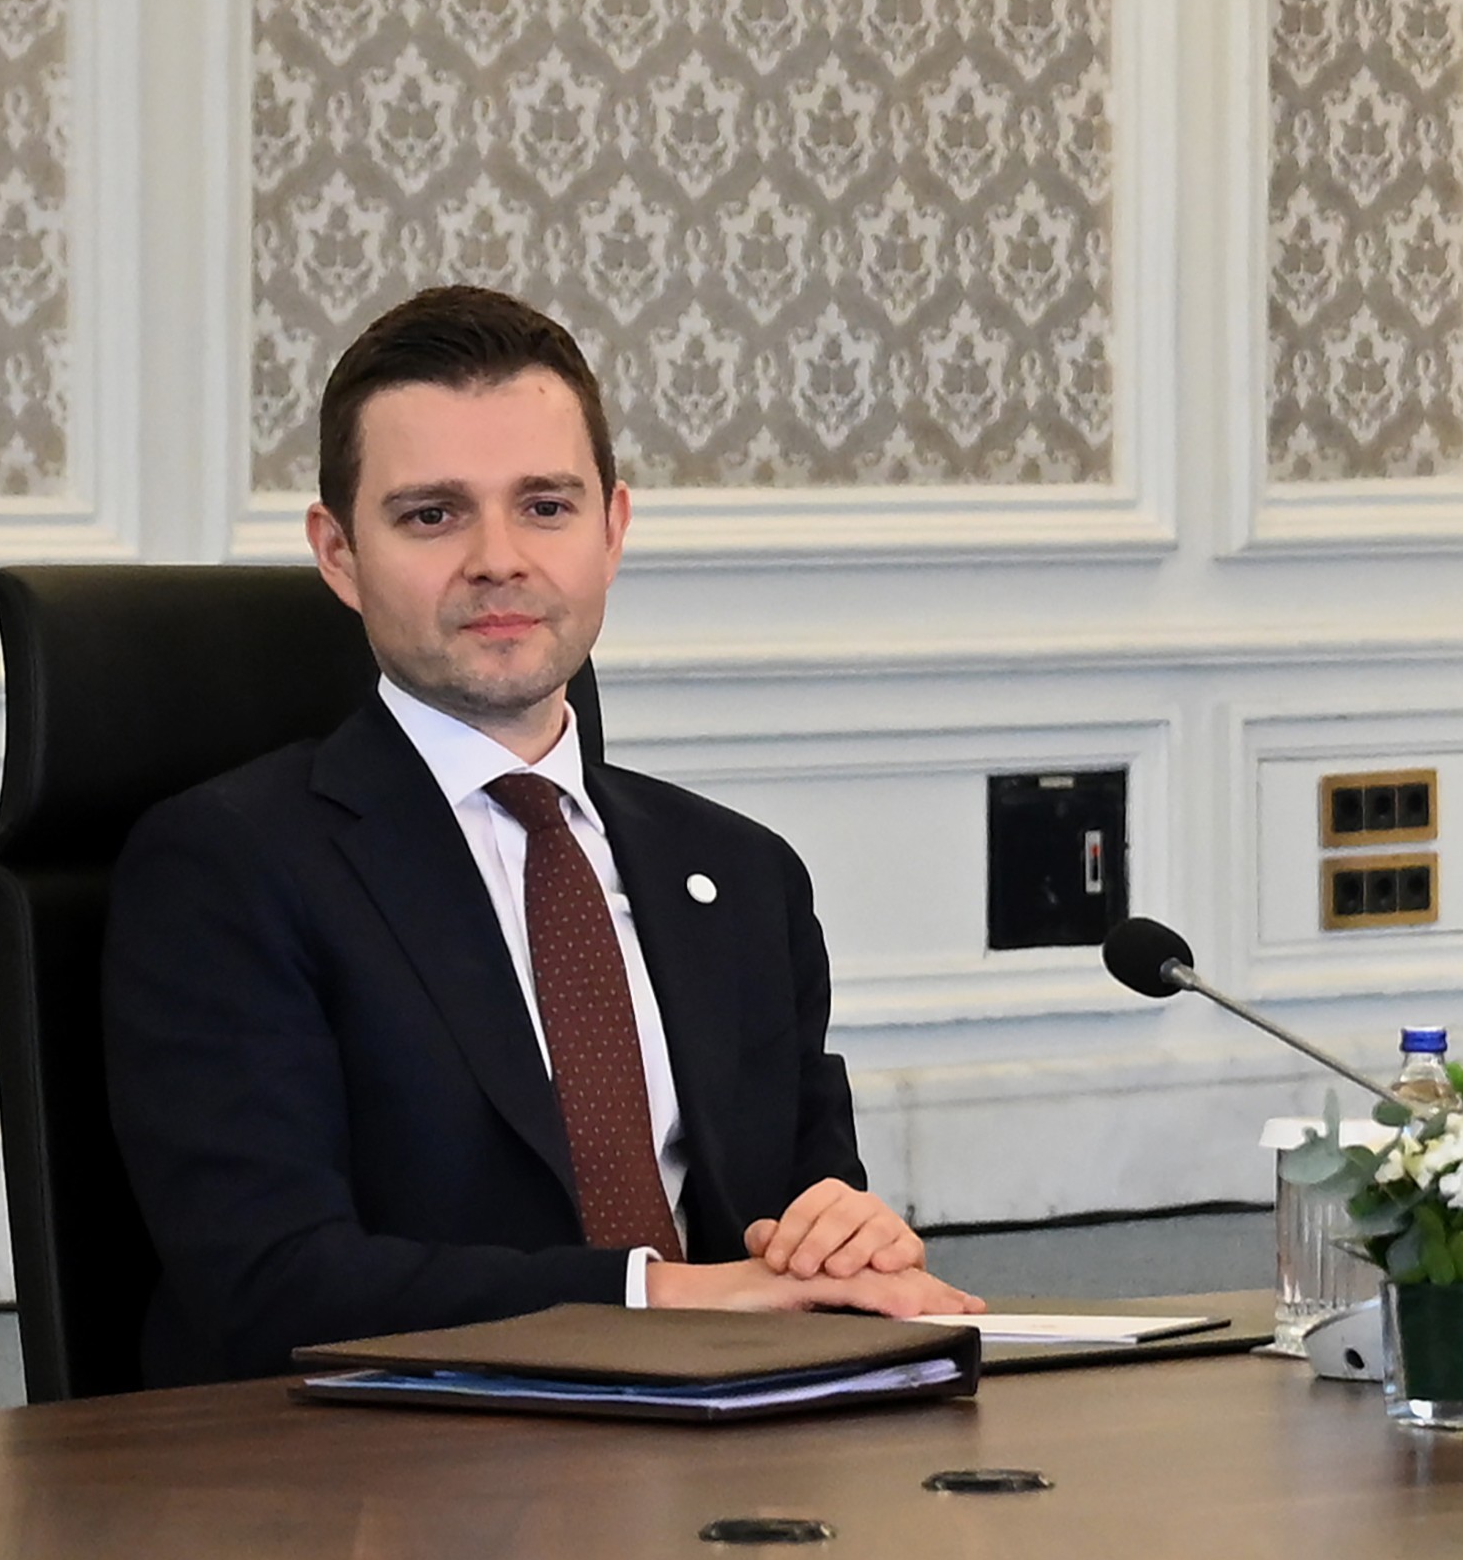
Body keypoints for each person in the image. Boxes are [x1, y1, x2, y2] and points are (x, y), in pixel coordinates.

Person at [109, 288, 977, 1380]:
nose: (499, 558)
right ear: (338, 554)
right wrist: (659, 1297)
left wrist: (841, 1243)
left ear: (612, 531)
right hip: (392, 1462)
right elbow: (269, 1284)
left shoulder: (743, 874)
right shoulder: (228, 867)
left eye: (546, 506)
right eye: (432, 515)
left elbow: (798, 1211)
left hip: (734, 1442)